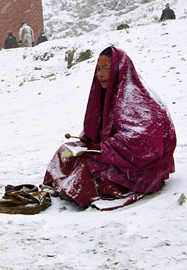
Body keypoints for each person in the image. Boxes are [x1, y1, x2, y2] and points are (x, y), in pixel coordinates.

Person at [43, 46, 177, 209]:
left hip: (141, 166)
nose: (100, 74)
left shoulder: (139, 99)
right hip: (113, 152)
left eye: (106, 68)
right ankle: (61, 187)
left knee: (89, 166)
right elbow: (100, 126)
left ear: (119, 69)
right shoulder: (108, 93)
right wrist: (88, 139)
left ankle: (76, 191)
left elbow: (144, 143)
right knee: (64, 151)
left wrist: (104, 148)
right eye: (98, 69)